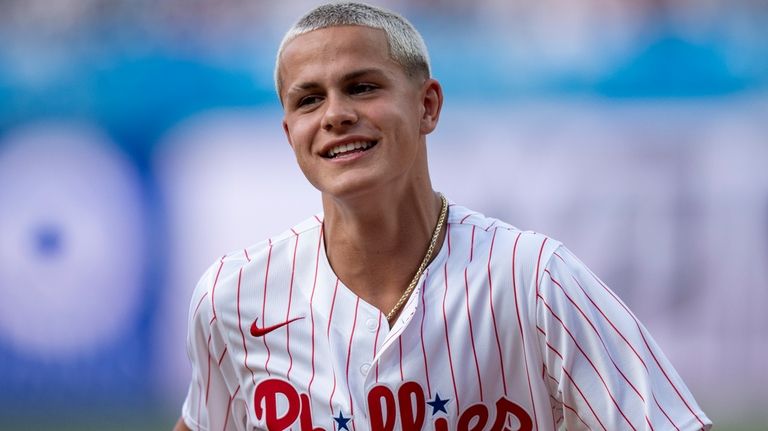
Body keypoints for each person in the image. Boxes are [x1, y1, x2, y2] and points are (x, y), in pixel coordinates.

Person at [174, 2, 712, 430]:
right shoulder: (234, 298)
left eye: (362, 87)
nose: (336, 114)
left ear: (427, 105)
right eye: (309, 100)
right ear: (290, 133)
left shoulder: (533, 278)